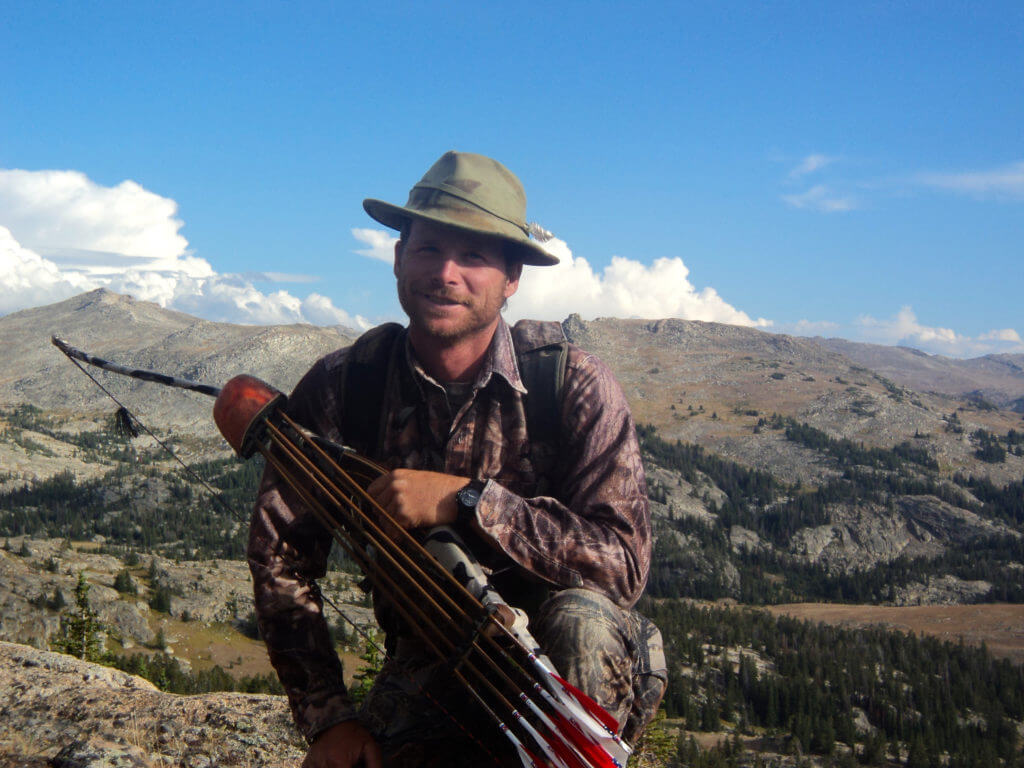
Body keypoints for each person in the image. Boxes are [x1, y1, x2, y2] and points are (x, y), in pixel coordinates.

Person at [248, 151, 666, 768]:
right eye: (427, 250)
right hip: (434, 658)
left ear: (512, 277)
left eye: (473, 256)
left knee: (580, 622)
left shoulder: (571, 384)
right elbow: (280, 552)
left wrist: (469, 500)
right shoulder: (346, 386)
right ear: (398, 259)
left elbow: (623, 566)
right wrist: (328, 720)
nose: (446, 273)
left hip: (571, 662)